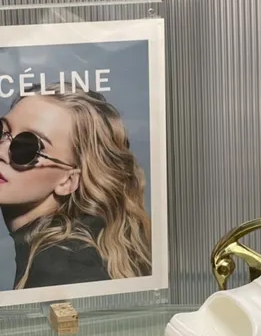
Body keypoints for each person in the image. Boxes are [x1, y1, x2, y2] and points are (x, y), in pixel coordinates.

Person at [0, 84, 152, 289]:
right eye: (2, 132)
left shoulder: (62, 268)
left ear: (68, 181)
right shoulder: (62, 251)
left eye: (27, 147)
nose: (2, 151)